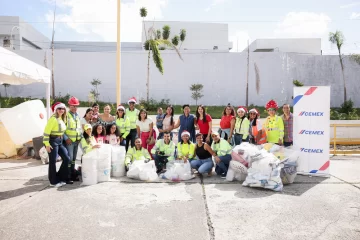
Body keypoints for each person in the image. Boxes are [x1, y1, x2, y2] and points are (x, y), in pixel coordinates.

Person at [43, 102, 71, 187]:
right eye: (59, 108)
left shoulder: (61, 118)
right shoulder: (53, 119)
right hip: (52, 141)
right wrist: (47, 144)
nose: (61, 110)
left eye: (63, 109)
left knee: (66, 158)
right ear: (56, 110)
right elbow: (46, 133)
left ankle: (60, 177)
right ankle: (53, 181)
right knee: (53, 161)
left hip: (60, 140)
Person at [64, 96, 82, 182]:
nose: (74, 108)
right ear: (69, 106)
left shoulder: (77, 116)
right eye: (72, 106)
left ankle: (72, 174)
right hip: (69, 141)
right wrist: (66, 138)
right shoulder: (66, 116)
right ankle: (67, 176)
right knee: (69, 159)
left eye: (76, 106)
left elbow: (78, 128)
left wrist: (79, 138)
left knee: (74, 159)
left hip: (76, 141)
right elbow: (61, 129)